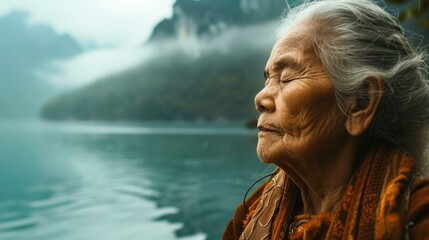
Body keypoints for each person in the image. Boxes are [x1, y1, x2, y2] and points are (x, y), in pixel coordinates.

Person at [223, 0, 429, 239]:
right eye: (268, 78)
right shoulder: (250, 214)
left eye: (286, 78)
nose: (260, 98)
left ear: (360, 103)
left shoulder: (417, 219)